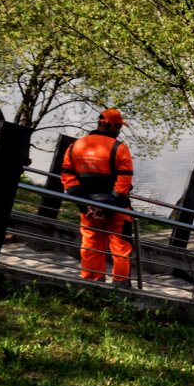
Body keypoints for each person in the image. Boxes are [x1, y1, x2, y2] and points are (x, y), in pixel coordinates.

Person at [60, 108, 134, 285]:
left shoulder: (76, 146)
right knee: (120, 247)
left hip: (88, 209)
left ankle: (92, 283)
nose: (119, 131)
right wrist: (110, 205)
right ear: (112, 126)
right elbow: (124, 181)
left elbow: (67, 177)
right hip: (117, 210)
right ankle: (121, 285)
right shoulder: (120, 149)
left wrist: (86, 204)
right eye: (119, 127)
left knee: (91, 246)